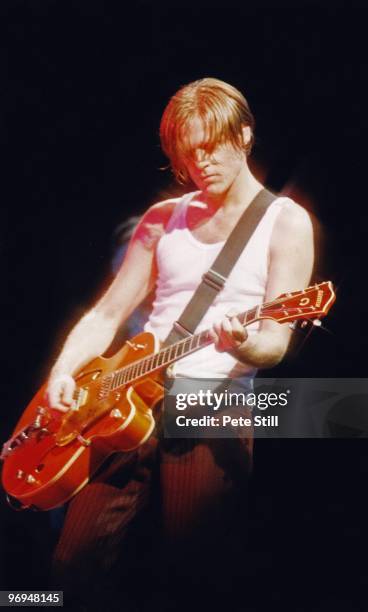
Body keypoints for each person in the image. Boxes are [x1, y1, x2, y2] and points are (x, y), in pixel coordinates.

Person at [47, 77, 314, 609]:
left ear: (244, 136)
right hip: (129, 398)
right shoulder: (161, 220)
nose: (201, 163)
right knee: (71, 566)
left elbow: (274, 343)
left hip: (214, 403)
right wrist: (62, 371)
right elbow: (106, 314)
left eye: (211, 146)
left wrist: (241, 345)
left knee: (197, 576)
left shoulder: (285, 223)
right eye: (188, 152)